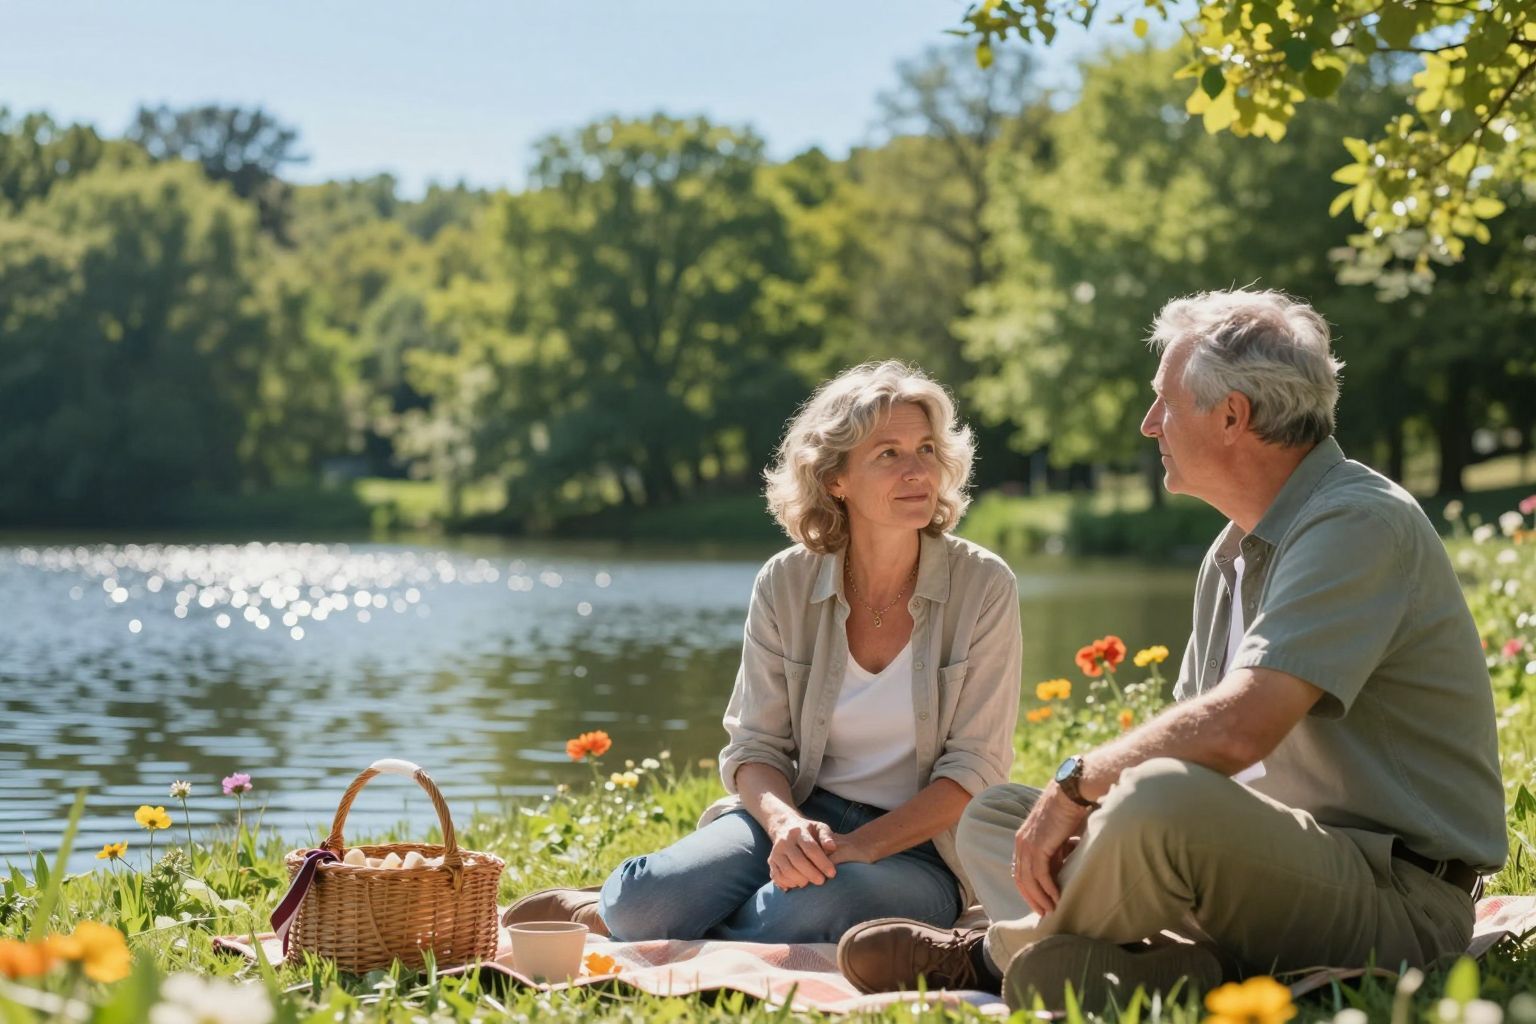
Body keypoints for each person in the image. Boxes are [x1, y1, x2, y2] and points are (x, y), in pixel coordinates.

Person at [837, 289, 1505, 1008]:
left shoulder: (1357, 523)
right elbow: (1191, 747)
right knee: (999, 815)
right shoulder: (1230, 554)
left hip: (1393, 900)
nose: (1148, 423)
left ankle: (991, 957)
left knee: (1152, 800)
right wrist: (1076, 804)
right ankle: (1183, 968)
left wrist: (1076, 784)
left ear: (1231, 416)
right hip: (1249, 873)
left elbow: (1240, 728)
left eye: (1164, 402)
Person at [503, 361, 1023, 942]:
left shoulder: (984, 585)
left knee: (809, 910)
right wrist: (786, 827)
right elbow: (754, 748)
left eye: (926, 449)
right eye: (888, 454)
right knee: (644, 904)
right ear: (835, 479)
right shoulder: (785, 582)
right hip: (797, 816)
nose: (917, 471)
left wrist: (858, 846)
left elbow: (975, 770)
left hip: (921, 849)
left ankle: (716, 917)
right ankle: (622, 912)